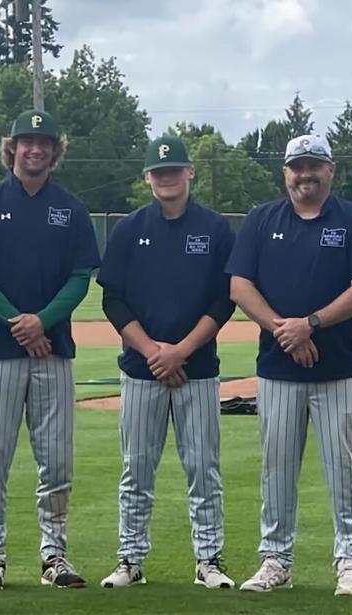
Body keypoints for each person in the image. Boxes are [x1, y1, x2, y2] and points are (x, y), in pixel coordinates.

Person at [225, 134, 352, 596]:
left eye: (314, 165)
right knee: (276, 469)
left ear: (330, 169)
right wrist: (286, 330)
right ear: (285, 173)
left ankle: (351, 560)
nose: (305, 174)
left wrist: (310, 325)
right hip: (278, 368)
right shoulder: (262, 220)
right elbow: (240, 287)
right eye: (297, 166)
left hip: (338, 367)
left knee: (345, 468)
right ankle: (276, 559)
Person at [0, 109, 101, 589]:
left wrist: (44, 321)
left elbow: (81, 279)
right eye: (26, 141)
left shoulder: (71, 208)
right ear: (12, 147)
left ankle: (54, 553)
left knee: (56, 460)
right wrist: (20, 323)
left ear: (54, 150)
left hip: (54, 351)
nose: (34, 149)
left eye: (43, 142)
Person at [95, 136, 237, 589]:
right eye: (158, 171)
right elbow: (113, 300)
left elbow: (224, 300)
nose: (166, 177)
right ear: (146, 178)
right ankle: (130, 559)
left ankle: (209, 560)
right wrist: (154, 351)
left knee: (203, 469)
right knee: (136, 469)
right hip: (141, 370)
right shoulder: (129, 229)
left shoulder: (215, 229)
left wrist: (182, 350)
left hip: (197, 369)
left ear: (190, 172)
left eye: (174, 169)